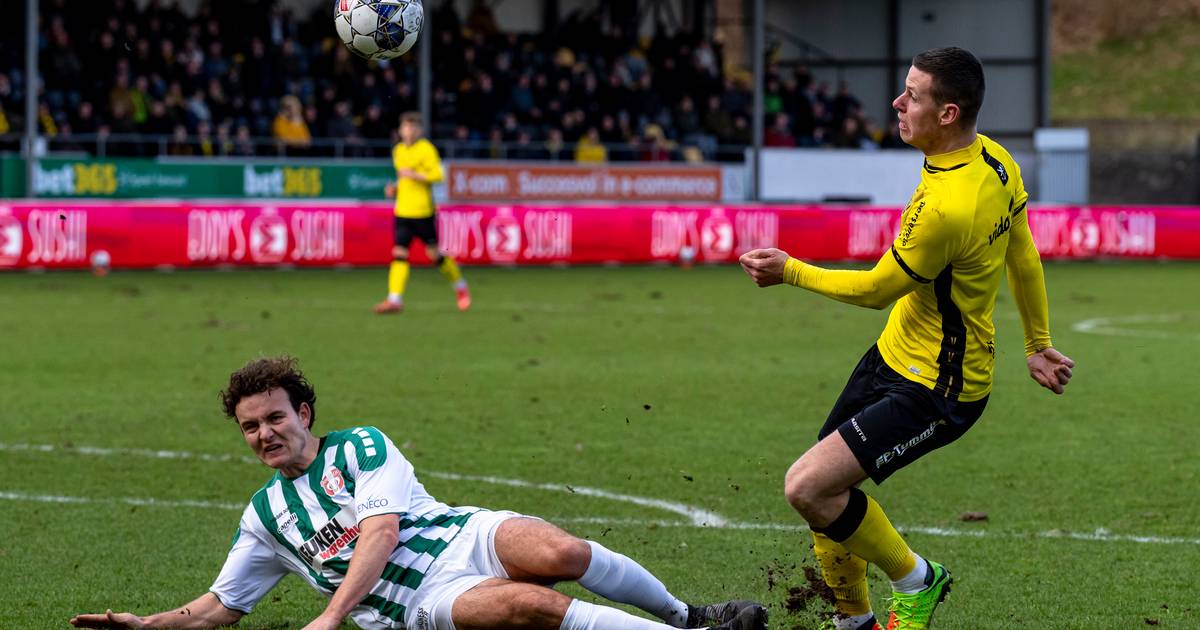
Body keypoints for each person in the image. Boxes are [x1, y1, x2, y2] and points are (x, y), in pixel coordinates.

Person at [738, 47, 1075, 630]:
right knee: (826, 496)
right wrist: (1036, 341)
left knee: (808, 488)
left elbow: (875, 289)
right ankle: (854, 623)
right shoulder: (993, 159)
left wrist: (790, 270)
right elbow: (1023, 250)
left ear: (947, 113)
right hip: (891, 357)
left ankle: (918, 580)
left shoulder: (949, 207)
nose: (897, 102)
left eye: (912, 95)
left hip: (939, 388)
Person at [69, 356, 769, 630]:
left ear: (303, 414)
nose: (264, 434)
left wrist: (330, 616)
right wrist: (150, 626)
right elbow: (220, 605)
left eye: (274, 418)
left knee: (560, 549)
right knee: (531, 604)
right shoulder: (265, 519)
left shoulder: (360, 446)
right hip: (421, 603)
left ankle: (686, 615)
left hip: (461, 536)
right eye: (251, 427)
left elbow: (380, 534)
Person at [375, 112, 471, 314]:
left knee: (434, 255)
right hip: (402, 211)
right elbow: (403, 180)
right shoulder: (398, 150)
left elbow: (439, 175)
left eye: (413, 128)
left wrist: (415, 174)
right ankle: (394, 299)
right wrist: (395, 189)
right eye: (406, 127)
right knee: (399, 254)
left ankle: (460, 286)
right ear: (400, 130)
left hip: (423, 212)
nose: (409, 131)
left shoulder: (426, 149)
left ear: (419, 130)